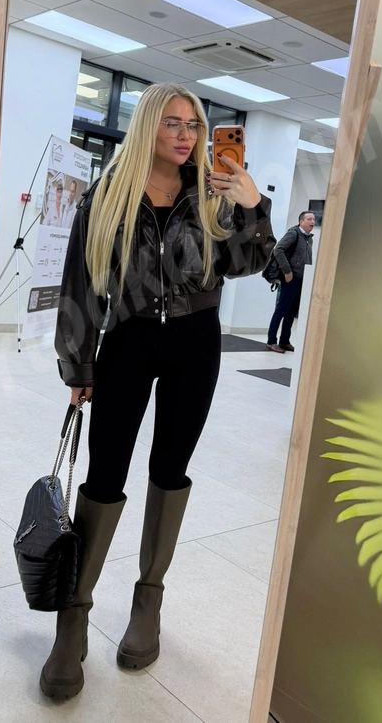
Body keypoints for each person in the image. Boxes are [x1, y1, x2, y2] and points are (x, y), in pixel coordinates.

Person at [42, 83, 274, 699]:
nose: (185, 135)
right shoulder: (107, 196)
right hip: (127, 339)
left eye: (193, 125)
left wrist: (253, 204)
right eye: (172, 123)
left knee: (170, 470)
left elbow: (250, 263)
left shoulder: (213, 195)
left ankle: (148, 602)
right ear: (148, 126)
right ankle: (73, 618)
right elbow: (79, 283)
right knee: (104, 475)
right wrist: (77, 365)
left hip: (196, 342)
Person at [266, 211, 315, 354]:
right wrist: (287, 271)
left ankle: (284, 341)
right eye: (309, 219)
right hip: (291, 278)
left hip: (301, 279)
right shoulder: (293, 234)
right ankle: (271, 341)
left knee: (292, 311)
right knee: (281, 310)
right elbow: (278, 250)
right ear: (301, 222)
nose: (312, 222)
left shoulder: (309, 238)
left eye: (313, 219)